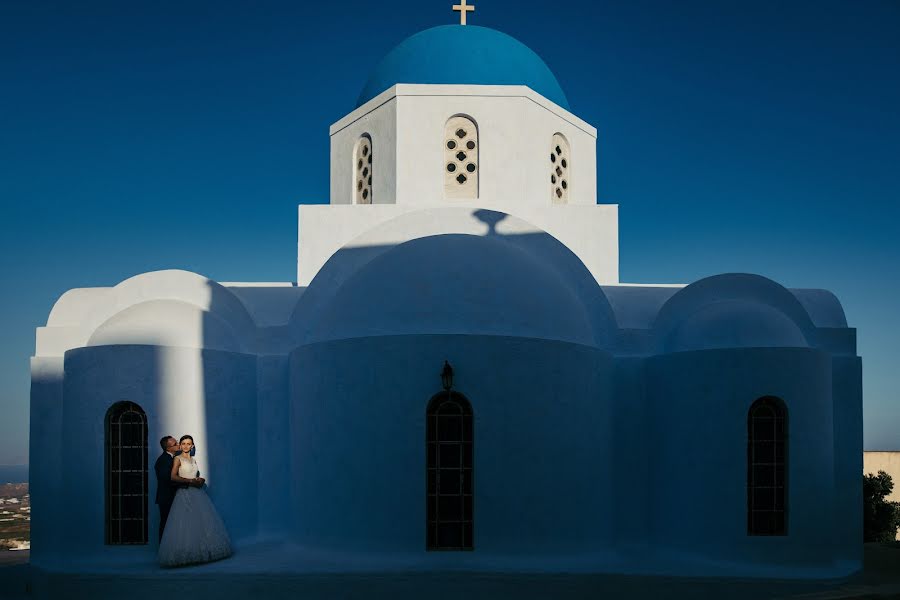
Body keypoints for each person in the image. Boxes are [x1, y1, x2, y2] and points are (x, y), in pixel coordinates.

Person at [158, 435, 233, 567]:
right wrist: (191, 482)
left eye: (189, 444)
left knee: (198, 523)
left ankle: (200, 552)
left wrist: (199, 479)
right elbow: (171, 478)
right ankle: (175, 554)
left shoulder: (193, 460)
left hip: (196, 494)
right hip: (177, 495)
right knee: (177, 526)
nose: (183, 446)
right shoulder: (170, 459)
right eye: (180, 443)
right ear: (172, 447)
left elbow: (192, 474)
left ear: (192, 446)